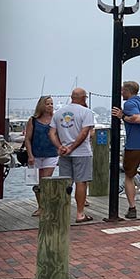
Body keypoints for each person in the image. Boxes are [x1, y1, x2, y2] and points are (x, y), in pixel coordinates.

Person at [111, 80, 140, 220]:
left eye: (122, 91)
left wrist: (122, 117)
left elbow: (136, 118)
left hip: (134, 146)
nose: (120, 93)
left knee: (129, 177)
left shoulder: (130, 104)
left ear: (128, 91)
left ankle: (132, 208)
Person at [49, 88, 96, 223]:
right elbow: (84, 132)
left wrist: (60, 147)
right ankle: (80, 214)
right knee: (81, 182)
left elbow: (51, 133)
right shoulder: (86, 112)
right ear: (83, 98)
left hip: (63, 153)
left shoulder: (58, 113)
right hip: (81, 152)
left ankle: (63, 211)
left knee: (65, 182)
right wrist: (72, 148)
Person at [24, 95, 58, 217]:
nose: (50, 106)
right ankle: (41, 206)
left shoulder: (56, 119)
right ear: (41, 105)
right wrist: (30, 155)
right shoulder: (33, 120)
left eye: (51, 104)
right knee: (37, 182)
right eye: (47, 103)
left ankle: (46, 206)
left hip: (51, 154)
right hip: (36, 154)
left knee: (45, 181)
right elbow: (27, 139)